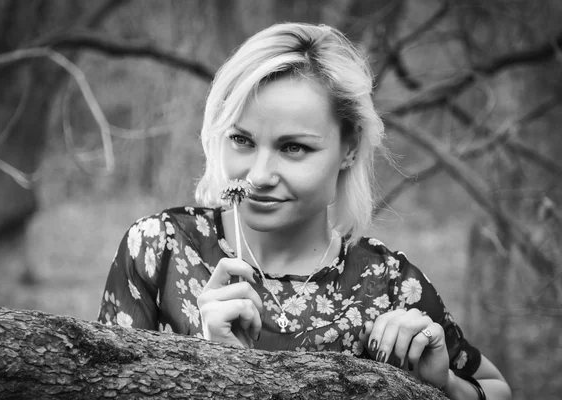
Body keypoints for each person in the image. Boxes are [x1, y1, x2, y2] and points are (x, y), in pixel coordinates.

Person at [97, 22, 511, 399]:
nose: (258, 174)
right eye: (242, 140)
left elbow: (497, 390)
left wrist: (445, 387)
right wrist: (209, 365)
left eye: (293, 148)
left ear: (348, 148)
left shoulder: (387, 287)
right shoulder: (160, 251)